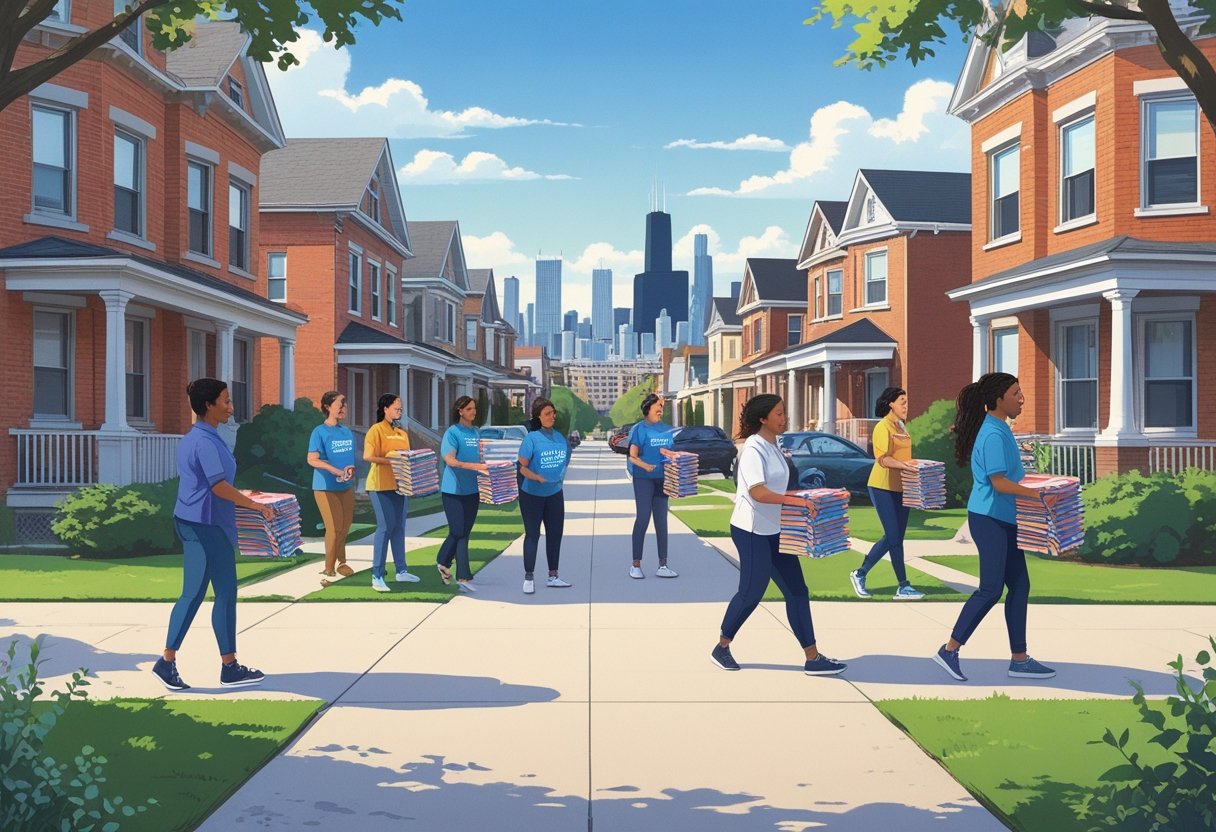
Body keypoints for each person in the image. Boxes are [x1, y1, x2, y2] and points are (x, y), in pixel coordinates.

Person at [932, 372, 1058, 683]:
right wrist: (1038, 495)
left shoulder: (999, 430)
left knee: (1020, 585)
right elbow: (999, 483)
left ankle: (1019, 659)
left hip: (1004, 518)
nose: (1022, 399)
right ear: (998, 399)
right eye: (1016, 393)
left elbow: (1009, 476)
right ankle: (948, 650)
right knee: (990, 589)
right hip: (989, 519)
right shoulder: (991, 434)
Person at [151, 378, 275, 691]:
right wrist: (254, 505)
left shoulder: (201, 436)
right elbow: (216, 486)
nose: (231, 407)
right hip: (205, 525)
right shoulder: (204, 441)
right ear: (209, 405)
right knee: (202, 594)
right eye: (226, 401)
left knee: (215, 593)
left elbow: (213, 483)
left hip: (198, 521)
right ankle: (174, 662)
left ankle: (225, 664)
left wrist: (244, 493)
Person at [711, 394, 846, 675]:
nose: (784, 418)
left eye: (784, 412)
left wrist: (820, 495)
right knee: (751, 593)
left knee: (797, 591)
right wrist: (797, 502)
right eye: (779, 414)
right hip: (751, 531)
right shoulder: (753, 450)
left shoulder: (776, 446)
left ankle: (813, 657)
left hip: (775, 530)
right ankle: (722, 647)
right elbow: (758, 493)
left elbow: (782, 489)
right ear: (763, 418)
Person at [849, 387, 925, 600]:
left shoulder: (901, 427)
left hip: (902, 487)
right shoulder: (883, 427)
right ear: (891, 403)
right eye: (902, 401)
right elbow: (882, 459)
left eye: (906, 402)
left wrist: (914, 466)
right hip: (882, 486)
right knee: (894, 538)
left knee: (894, 537)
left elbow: (903, 456)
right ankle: (903, 585)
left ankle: (859, 573)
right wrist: (904, 466)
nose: (906, 406)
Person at [363, 394, 420, 592]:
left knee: (399, 528)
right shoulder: (375, 430)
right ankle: (377, 575)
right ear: (385, 408)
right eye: (396, 407)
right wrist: (393, 460)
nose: (400, 410)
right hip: (379, 486)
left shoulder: (402, 433)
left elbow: (408, 458)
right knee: (385, 527)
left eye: (401, 408)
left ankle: (401, 571)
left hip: (400, 485)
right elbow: (368, 456)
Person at [517, 397, 572, 594]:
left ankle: (553, 576)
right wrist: (537, 477)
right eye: (547, 414)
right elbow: (521, 467)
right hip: (531, 495)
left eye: (553, 413)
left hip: (555, 494)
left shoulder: (560, 439)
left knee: (555, 535)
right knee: (533, 535)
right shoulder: (531, 439)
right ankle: (529, 577)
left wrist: (557, 479)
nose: (552, 416)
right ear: (538, 417)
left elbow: (564, 463)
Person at [437, 395, 489, 593]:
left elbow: (479, 456)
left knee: (465, 533)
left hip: (472, 490)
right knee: (457, 531)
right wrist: (476, 465)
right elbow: (450, 460)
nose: (473, 412)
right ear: (460, 411)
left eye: (474, 408)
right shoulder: (452, 432)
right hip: (453, 490)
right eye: (469, 409)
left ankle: (463, 576)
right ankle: (442, 560)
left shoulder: (475, 432)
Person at [307, 391, 357, 588]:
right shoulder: (319, 432)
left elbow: (349, 459)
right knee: (334, 529)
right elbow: (312, 459)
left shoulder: (347, 432)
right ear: (328, 407)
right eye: (340, 403)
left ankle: (342, 563)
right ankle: (328, 568)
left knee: (345, 528)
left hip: (346, 486)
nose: (344, 407)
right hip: (325, 487)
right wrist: (334, 470)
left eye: (345, 403)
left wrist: (349, 470)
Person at [627, 392, 679, 579]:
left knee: (661, 521)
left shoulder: (667, 429)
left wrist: (674, 462)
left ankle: (663, 565)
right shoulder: (639, 430)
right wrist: (645, 466)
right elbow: (632, 456)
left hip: (662, 479)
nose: (660, 410)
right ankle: (636, 565)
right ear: (648, 408)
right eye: (658, 406)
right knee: (643, 518)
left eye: (662, 407)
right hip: (643, 479)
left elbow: (670, 452)